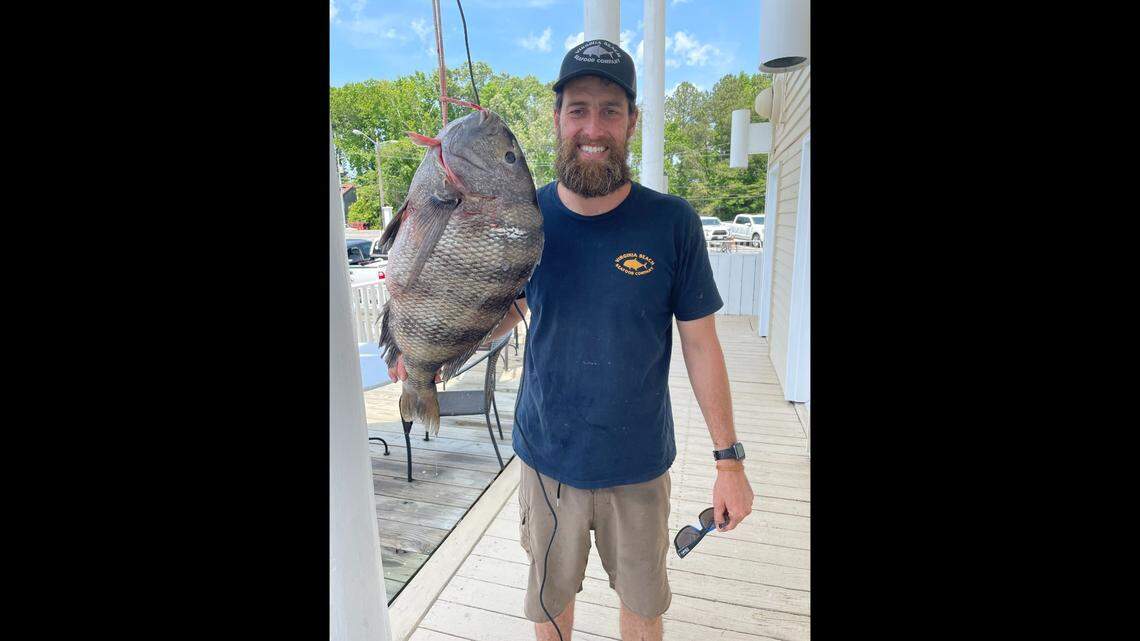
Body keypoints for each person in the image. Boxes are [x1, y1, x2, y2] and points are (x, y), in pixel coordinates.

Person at [391, 39, 754, 641]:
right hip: (547, 459)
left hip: (639, 463)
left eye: (610, 110)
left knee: (643, 606)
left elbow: (701, 345)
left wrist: (728, 461)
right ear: (558, 117)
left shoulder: (673, 223)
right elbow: (503, 305)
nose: (593, 127)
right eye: (578, 108)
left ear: (632, 120)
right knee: (550, 605)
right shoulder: (520, 217)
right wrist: (427, 349)